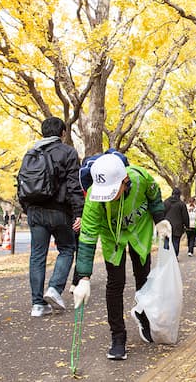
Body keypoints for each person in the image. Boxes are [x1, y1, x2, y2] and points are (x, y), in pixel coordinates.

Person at [72, 154, 171, 360]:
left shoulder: (141, 177)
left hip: (139, 230)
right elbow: (88, 237)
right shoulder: (93, 197)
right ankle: (118, 337)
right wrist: (83, 277)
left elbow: (154, 196)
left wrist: (160, 219)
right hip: (112, 237)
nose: (107, 196)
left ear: (125, 181)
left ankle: (145, 318)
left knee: (143, 280)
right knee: (115, 284)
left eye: (112, 191)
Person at [18, 117, 84, 317]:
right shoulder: (68, 152)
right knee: (67, 248)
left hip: (35, 211)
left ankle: (37, 305)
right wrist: (79, 213)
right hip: (59, 211)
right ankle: (55, 288)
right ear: (63, 133)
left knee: (37, 256)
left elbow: (20, 183)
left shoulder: (31, 153)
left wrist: (26, 209)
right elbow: (74, 186)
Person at [164, 187, 189, 257]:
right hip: (178, 226)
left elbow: (161, 213)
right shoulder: (181, 204)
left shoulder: (165, 202)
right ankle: (174, 257)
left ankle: (166, 257)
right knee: (176, 242)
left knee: (166, 240)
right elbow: (185, 216)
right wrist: (187, 226)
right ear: (179, 195)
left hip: (167, 225)